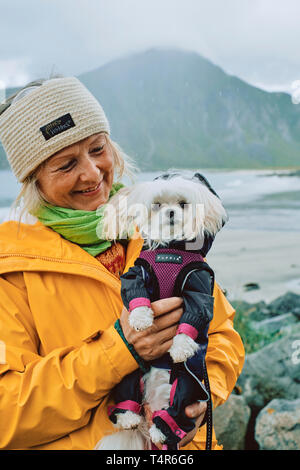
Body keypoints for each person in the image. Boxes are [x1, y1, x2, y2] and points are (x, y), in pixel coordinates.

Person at [0, 76, 245, 450]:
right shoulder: (11, 269)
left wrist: (196, 402)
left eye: (98, 148)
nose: (93, 173)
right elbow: (7, 412)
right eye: (66, 165)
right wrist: (120, 351)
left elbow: (224, 336)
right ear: (33, 180)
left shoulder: (158, 228)